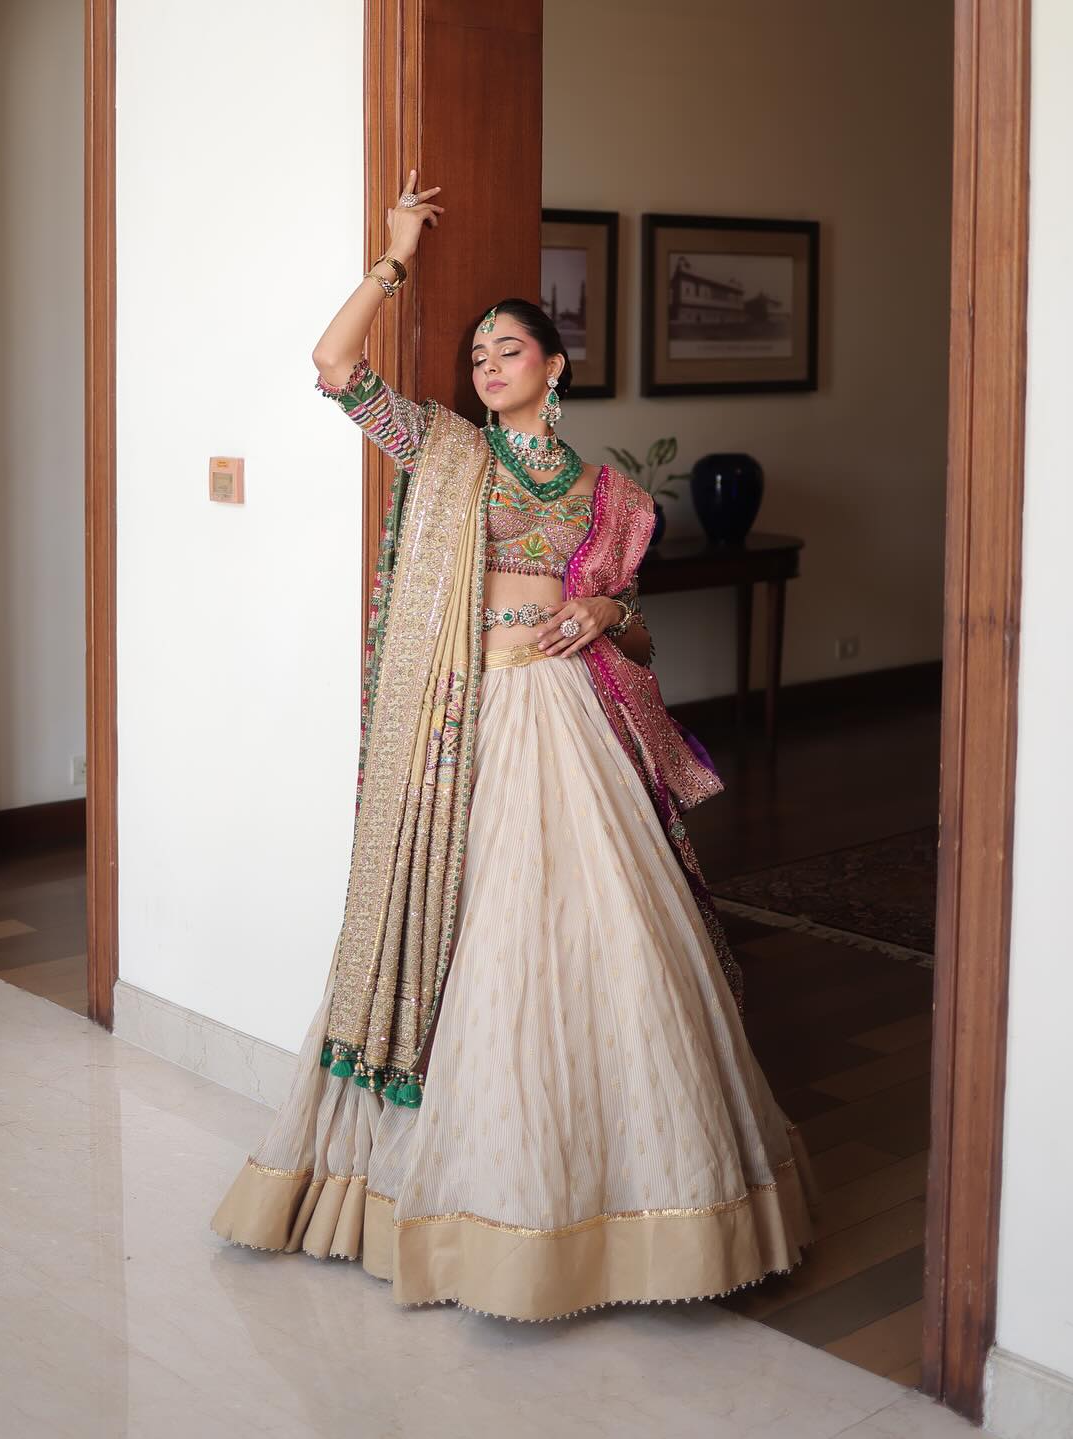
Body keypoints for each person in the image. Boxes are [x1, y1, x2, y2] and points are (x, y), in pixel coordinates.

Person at [210, 170, 820, 1321]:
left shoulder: (611, 494)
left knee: (607, 937)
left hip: (570, 720)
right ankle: (448, 1190)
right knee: (474, 931)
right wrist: (394, 257)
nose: (488, 362)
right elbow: (336, 369)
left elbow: (632, 622)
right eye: (479, 351)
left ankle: (622, 1203)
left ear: (557, 363)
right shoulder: (445, 449)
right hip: (464, 723)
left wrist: (603, 614)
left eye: (509, 346)